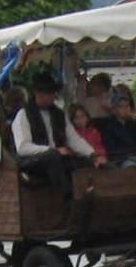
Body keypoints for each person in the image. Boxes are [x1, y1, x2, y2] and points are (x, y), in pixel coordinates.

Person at [11, 71, 107, 199]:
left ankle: (91, 195)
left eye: (52, 93)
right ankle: (67, 198)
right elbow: (23, 147)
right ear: (37, 94)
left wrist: (93, 154)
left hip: (57, 158)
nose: (51, 96)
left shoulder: (59, 114)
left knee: (85, 162)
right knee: (53, 157)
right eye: (47, 93)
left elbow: (74, 139)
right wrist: (53, 150)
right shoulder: (23, 115)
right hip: (32, 161)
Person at [101, 91, 136, 167]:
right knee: (131, 167)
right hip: (121, 158)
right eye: (121, 106)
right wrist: (127, 155)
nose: (125, 109)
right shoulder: (109, 126)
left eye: (127, 106)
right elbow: (111, 148)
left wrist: (135, 121)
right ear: (114, 110)